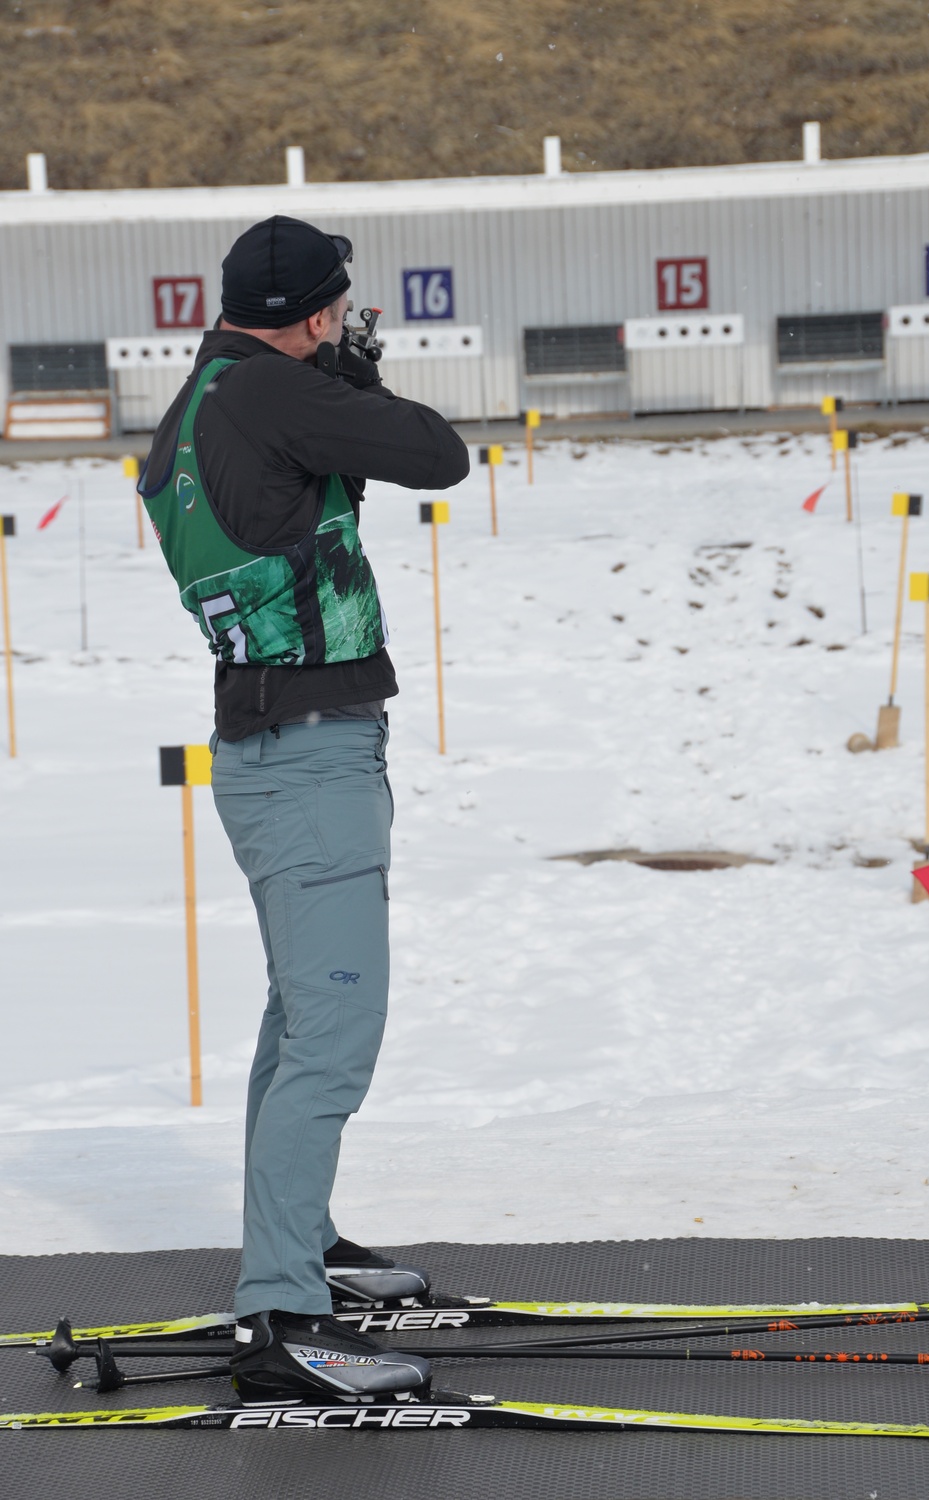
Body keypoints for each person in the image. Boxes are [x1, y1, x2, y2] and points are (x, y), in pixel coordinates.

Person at [139, 215, 469, 1401]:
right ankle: (278, 1315)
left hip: (271, 747)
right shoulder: (266, 397)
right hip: (310, 756)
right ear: (315, 313)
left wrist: (324, 379)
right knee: (334, 1033)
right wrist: (344, 385)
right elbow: (437, 452)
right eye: (338, 313)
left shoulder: (192, 406)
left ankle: (301, 1249)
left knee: (297, 1029)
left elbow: (293, 521)